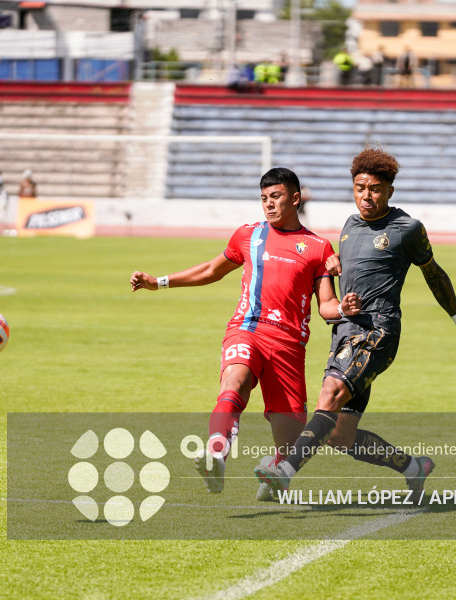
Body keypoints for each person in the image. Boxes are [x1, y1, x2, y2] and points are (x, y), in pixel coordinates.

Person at [255, 146, 456, 499]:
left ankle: (285, 471)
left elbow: (434, 273)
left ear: (389, 191)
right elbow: (347, 277)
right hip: (345, 333)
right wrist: (335, 275)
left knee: (329, 395)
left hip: (378, 331)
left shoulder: (407, 228)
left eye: (375, 189)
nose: (366, 196)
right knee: (340, 435)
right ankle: (414, 467)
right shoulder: (350, 226)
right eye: (360, 188)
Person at [131, 168, 357, 500]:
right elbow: (211, 270)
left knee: (292, 443)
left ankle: (275, 470)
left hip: (289, 346)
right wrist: (159, 282)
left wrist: (343, 311)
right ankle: (216, 454)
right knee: (233, 381)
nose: (268, 204)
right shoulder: (248, 235)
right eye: (264, 198)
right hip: (247, 329)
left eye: (276, 197)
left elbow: (326, 305)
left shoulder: (318, 248)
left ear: (295, 199)